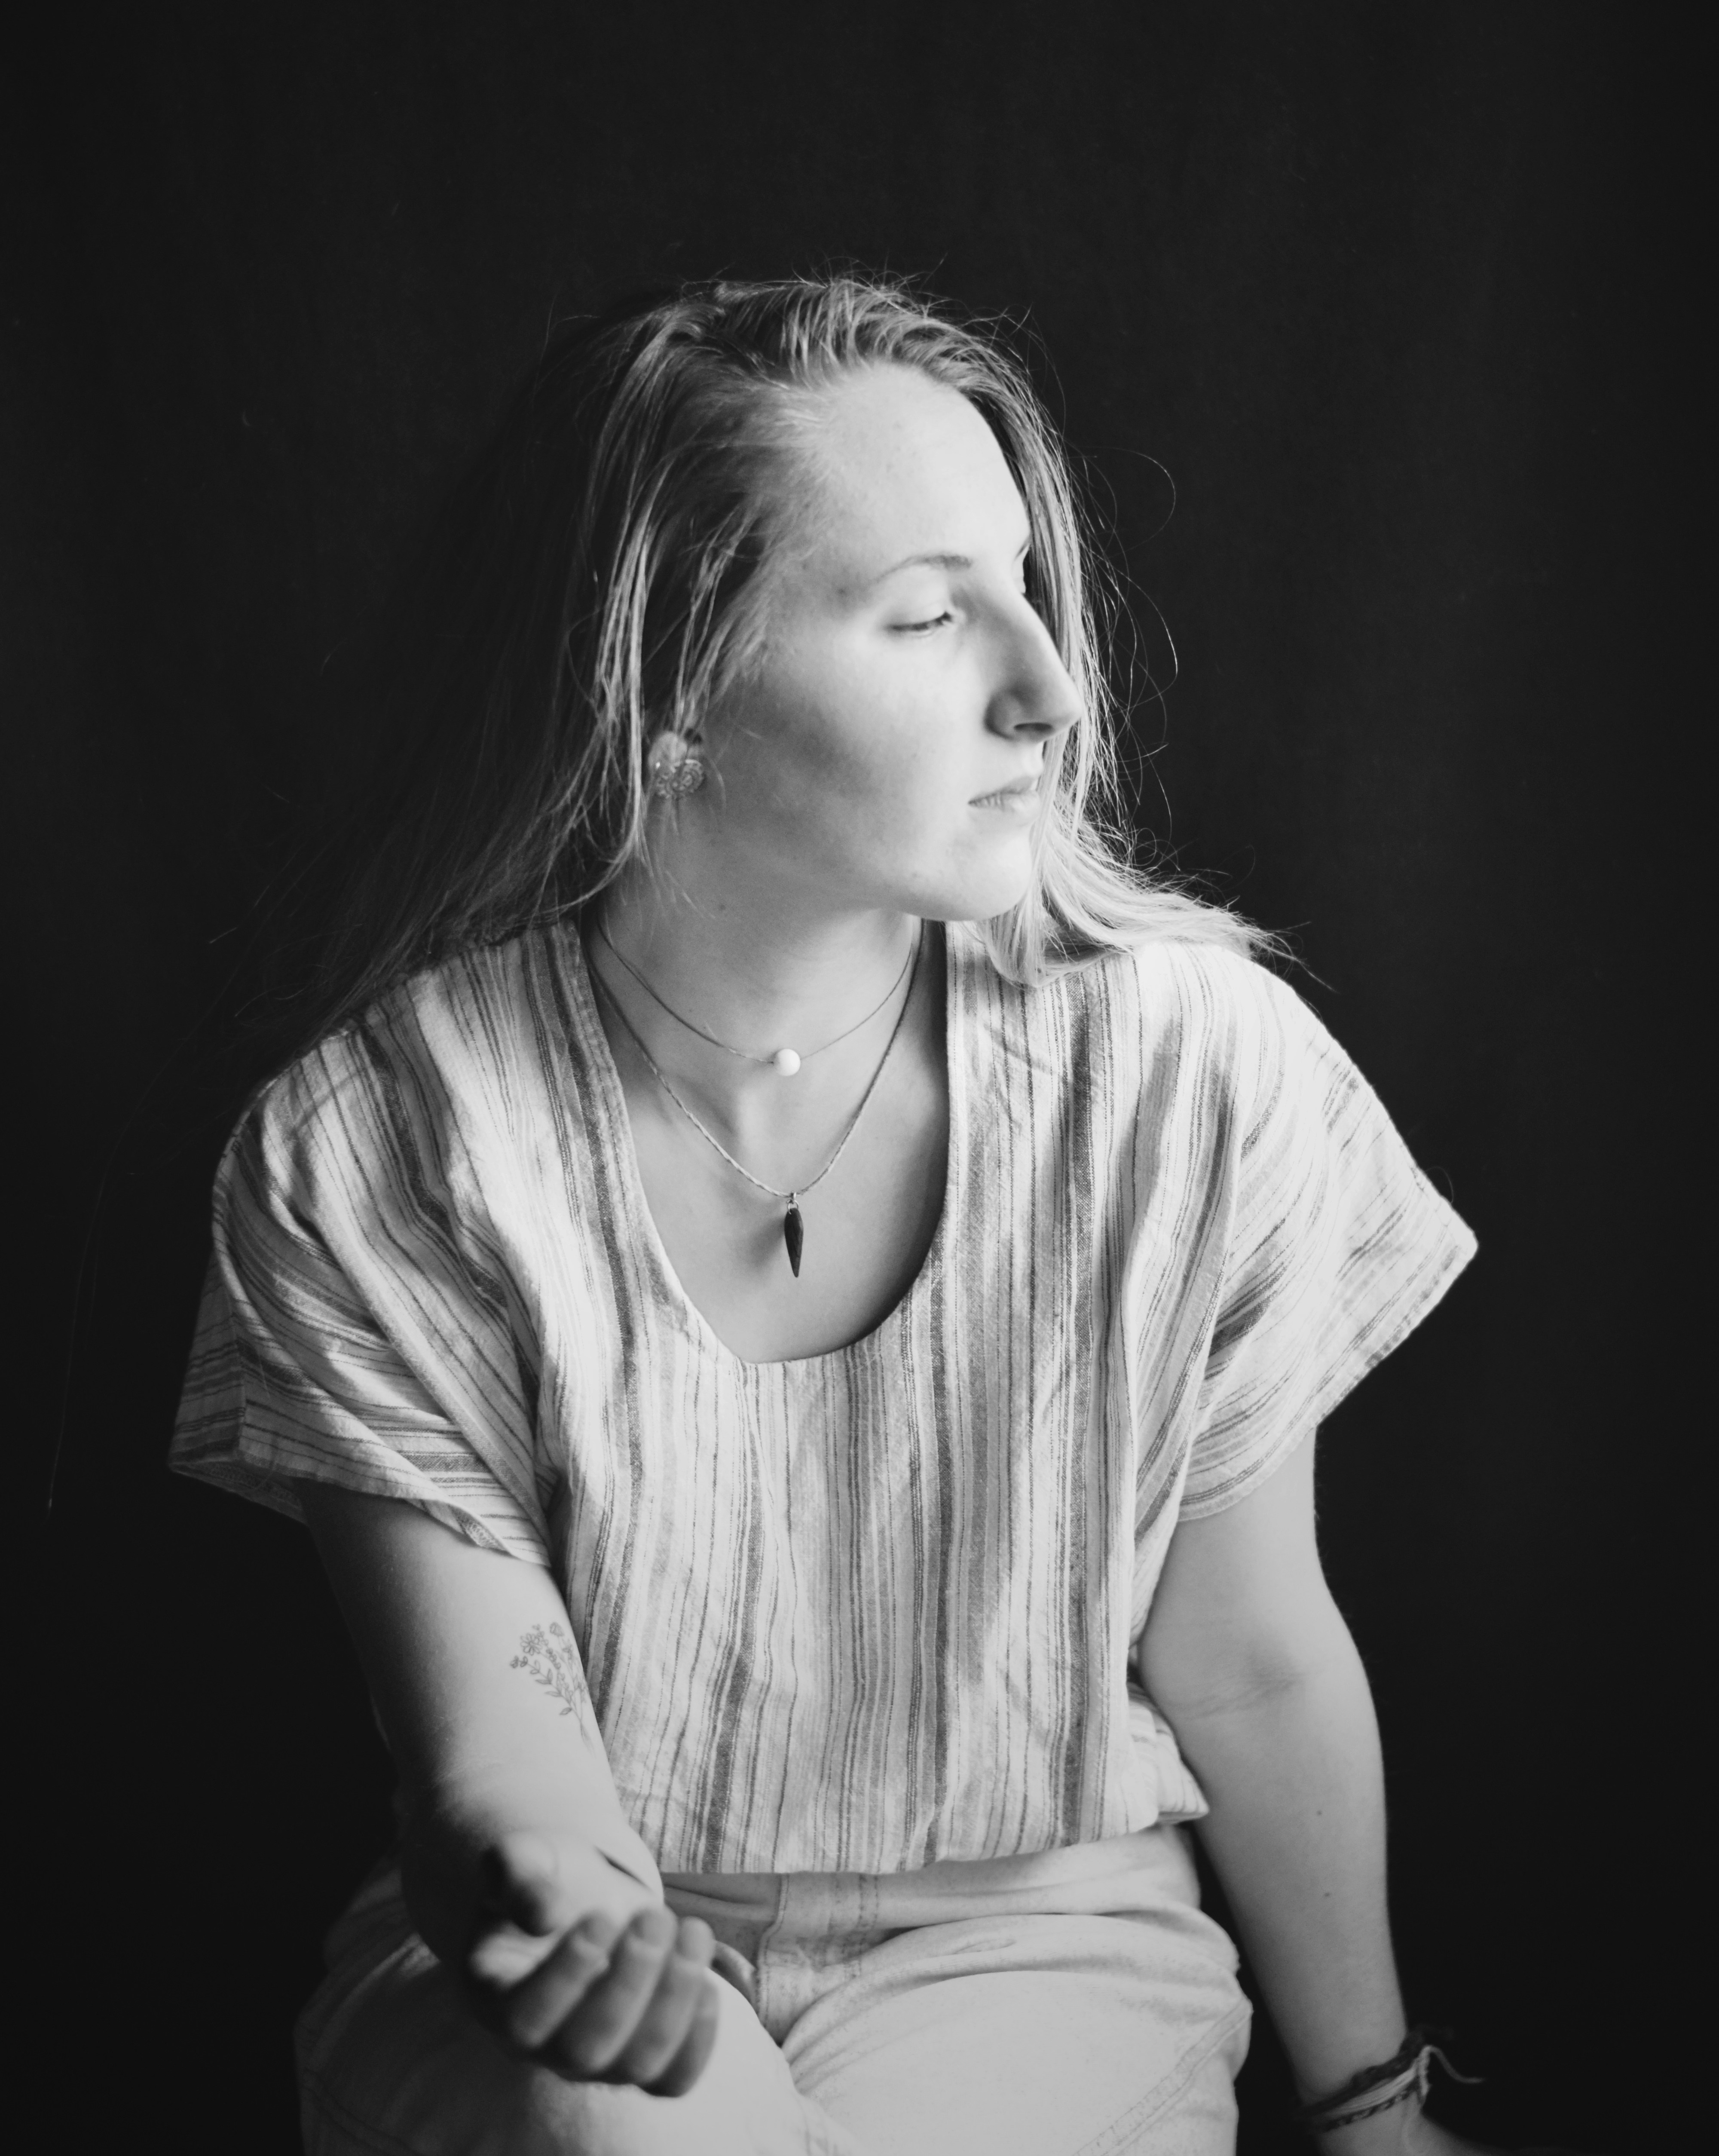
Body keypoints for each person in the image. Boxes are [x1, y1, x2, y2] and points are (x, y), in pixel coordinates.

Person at [170, 274, 1549, 2156]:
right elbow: (492, 1757)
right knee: (620, 2132)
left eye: (1023, 586)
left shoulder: (1186, 1071)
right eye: (927, 614)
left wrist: (1374, 2114)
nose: (1050, 689)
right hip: (569, 1944)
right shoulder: (383, 1145)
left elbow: (1248, 1656)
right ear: (664, 701)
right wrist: (561, 1922)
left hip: (1044, 1945)